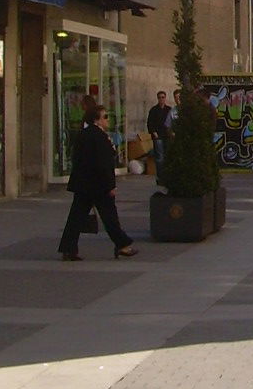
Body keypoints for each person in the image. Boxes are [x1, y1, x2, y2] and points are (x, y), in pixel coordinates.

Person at [58, 100, 137, 261]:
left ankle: (68, 248)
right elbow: (104, 164)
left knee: (76, 217)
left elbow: (78, 159)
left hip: (83, 184)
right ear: (96, 120)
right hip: (99, 185)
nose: (107, 120)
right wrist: (111, 185)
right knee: (110, 217)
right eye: (105, 117)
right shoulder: (99, 137)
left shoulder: (83, 134)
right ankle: (122, 245)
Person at [147, 90, 171, 174]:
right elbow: (150, 123)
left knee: (167, 155)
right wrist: (154, 132)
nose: (161, 99)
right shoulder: (153, 110)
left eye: (163, 97)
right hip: (158, 136)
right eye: (159, 97)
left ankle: (167, 173)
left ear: (165, 98)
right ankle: (160, 175)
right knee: (159, 156)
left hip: (167, 135)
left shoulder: (169, 109)